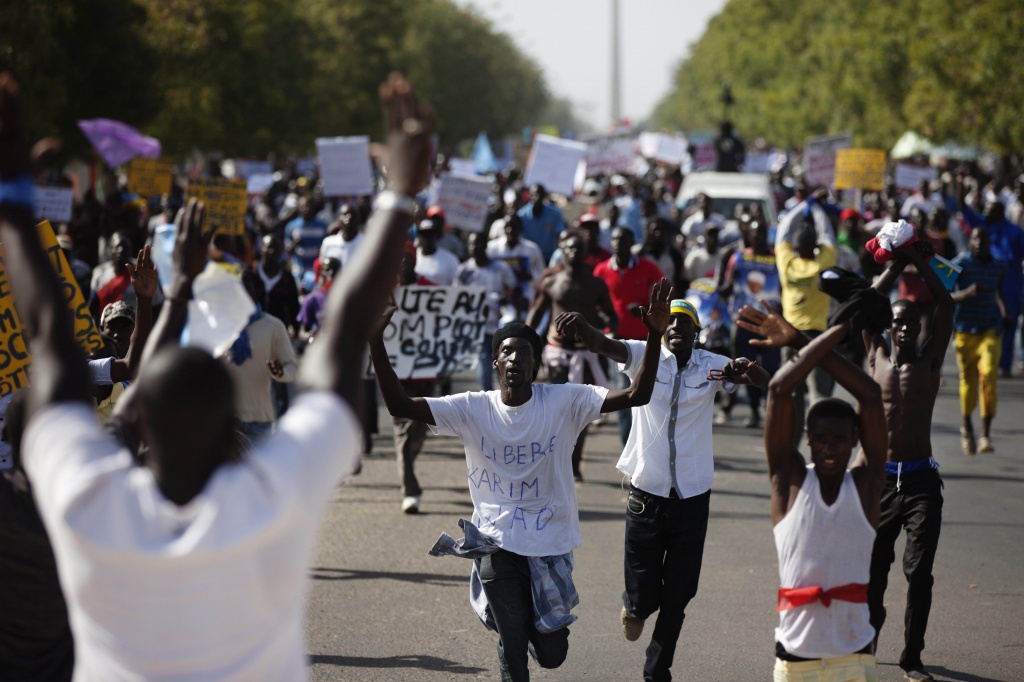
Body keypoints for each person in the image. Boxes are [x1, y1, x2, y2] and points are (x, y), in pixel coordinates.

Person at [0, 71, 433, 680]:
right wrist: (399, 197)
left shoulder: (81, 495)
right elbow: (339, 345)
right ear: (229, 423)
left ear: (137, 418)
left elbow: (48, 341)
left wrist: (13, 202)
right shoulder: (271, 501)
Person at [370, 279, 672, 682]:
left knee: (551, 654)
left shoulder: (566, 400)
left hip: (550, 543)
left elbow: (638, 394)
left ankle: (525, 632)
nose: (515, 358)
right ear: (496, 363)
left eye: (524, 352)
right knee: (512, 646)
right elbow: (399, 404)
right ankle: (512, 635)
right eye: (506, 351)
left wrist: (653, 337)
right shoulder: (472, 408)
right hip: (494, 540)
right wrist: (375, 342)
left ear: (536, 365)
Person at [556, 297, 768, 682]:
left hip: (692, 497)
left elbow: (763, 382)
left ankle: (657, 672)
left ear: (696, 332)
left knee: (678, 597)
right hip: (646, 494)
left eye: (683, 322)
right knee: (643, 590)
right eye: (669, 322)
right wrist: (582, 325)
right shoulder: (643, 354)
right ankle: (635, 607)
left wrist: (745, 370)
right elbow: (604, 344)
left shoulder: (712, 366)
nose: (674, 328)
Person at [737, 305, 887, 682]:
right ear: (808, 441)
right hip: (795, 664)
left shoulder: (867, 486)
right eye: (821, 441)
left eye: (840, 440)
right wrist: (808, 340)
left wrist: (809, 339)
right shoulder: (788, 485)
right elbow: (779, 389)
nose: (830, 449)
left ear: (856, 440)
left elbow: (870, 396)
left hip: (855, 660)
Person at [855, 242, 953, 682]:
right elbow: (867, 304)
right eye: (898, 324)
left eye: (913, 324)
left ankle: (912, 658)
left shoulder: (931, 362)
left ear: (921, 328)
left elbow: (946, 301)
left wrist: (922, 262)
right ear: (889, 329)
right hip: (880, 482)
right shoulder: (874, 355)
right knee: (874, 573)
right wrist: (897, 261)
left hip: (920, 483)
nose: (906, 330)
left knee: (919, 574)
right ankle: (868, 644)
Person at [526, 230, 619, 481]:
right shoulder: (551, 283)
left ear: (586, 253)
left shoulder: (596, 284)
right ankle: (558, 461)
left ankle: (574, 462)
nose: (574, 252)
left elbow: (612, 315)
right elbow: (535, 315)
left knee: (580, 409)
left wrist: (607, 335)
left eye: (579, 248)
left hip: (586, 354)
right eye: (570, 248)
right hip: (557, 354)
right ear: (562, 251)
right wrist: (524, 339)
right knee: (558, 409)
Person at [593, 226, 665, 445]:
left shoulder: (647, 267)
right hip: (616, 342)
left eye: (622, 240)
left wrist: (646, 307)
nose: (617, 244)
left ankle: (649, 443)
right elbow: (593, 301)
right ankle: (628, 447)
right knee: (624, 395)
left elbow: (665, 296)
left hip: (644, 342)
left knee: (648, 395)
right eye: (614, 239)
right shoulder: (602, 269)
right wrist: (603, 320)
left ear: (631, 242)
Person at [776, 213, 837, 450]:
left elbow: (783, 233)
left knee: (793, 396)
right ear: (815, 247)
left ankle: (790, 449)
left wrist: (801, 205)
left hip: (789, 339)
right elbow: (828, 235)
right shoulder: (822, 264)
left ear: (796, 247)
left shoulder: (787, 263)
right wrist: (819, 209)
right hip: (815, 339)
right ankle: (820, 448)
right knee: (818, 396)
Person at [951, 225, 1010, 454]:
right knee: (968, 381)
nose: (979, 244)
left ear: (988, 244)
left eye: (983, 241)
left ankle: (985, 434)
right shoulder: (960, 264)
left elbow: (999, 292)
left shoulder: (998, 265)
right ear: (970, 241)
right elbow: (943, 293)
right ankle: (967, 426)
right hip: (965, 329)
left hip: (990, 328)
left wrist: (1005, 312)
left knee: (989, 375)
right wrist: (965, 294)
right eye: (975, 240)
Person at [718, 219, 781, 427]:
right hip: (744, 323)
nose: (760, 238)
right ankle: (754, 410)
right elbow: (724, 291)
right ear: (750, 236)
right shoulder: (738, 259)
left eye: (763, 233)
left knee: (771, 365)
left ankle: (768, 404)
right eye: (756, 234)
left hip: (769, 322)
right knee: (748, 365)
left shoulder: (776, 259)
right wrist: (732, 280)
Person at [225, 270, 300, 445]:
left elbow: (292, 368)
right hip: (227, 424)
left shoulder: (273, 326)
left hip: (259, 423)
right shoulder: (218, 327)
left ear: (257, 290)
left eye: (245, 285)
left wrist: (280, 372)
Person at [956, 186, 1024, 378]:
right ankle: (983, 360)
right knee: (984, 322)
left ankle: (1003, 364)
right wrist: (960, 184)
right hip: (981, 283)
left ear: (1000, 213)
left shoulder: (1016, 232)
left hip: (1010, 285)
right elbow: (964, 208)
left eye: (989, 211)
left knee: (1007, 322)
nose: (984, 214)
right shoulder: (982, 226)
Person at [455, 232, 519, 390]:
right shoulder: (463, 270)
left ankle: (506, 395)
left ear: (485, 246)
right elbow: (456, 298)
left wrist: (505, 299)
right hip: (478, 327)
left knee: (503, 362)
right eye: (470, 244)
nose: (473, 248)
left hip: (500, 326)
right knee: (484, 361)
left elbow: (514, 289)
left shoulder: (499, 268)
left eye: (477, 244)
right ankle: (488, 396)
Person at [488, 214, 546, 322]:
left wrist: (530, 276)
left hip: (524, 299)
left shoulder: (532, 249)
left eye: (514, 227)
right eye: (507, 227)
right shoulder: (492, 248)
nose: (510, 230)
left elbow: (542, 275)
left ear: (520, 229)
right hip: (499, 299)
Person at [516, 184, 567, 263]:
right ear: (530, 195)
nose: (537, 197)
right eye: (534, 194)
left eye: (540, 194)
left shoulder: (554, 213)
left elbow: (560, 234)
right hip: (529, 259)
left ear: (544, 196)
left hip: (548, 258)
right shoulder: (521, 216)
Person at [414, 216, 460, 285]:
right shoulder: (412, 257)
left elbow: (456, 286)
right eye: (423, 234)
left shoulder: (450, 259)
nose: (427, 238)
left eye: (430, 234)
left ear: (436, 236)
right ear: (418, 236)